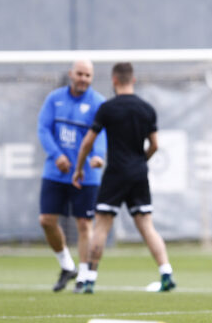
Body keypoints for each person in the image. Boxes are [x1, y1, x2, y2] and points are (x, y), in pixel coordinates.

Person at [72, 62, 175, 294]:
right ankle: (166, 273)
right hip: (139, 174)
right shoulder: (147, 109)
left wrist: (79, 168)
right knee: (147, 226)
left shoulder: (107, 108)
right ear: (133, 80)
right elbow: (155, 145)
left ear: (114, 81)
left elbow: (88, 141)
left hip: (115, 173)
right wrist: (140, 162)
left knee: (101, 226)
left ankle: (88, 279)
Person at [37, 59, 107, 293]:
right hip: (56, 172)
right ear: (71, 74)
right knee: (46, 220)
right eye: (80, 74)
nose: (83, 79)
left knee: (84, 224)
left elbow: (102, 134)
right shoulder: (54, 99)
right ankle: (67, 265)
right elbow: (43, 129)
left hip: (86, 175)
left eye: (88, 75)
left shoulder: (98, 103)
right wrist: (56, 155)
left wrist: (97, 156)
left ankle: (84, 276)